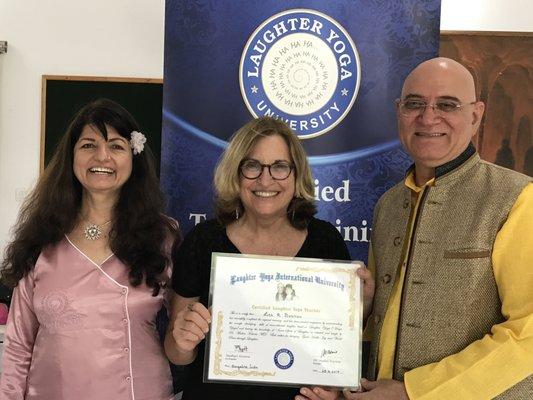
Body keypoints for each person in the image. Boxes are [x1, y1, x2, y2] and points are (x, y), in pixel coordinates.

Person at [345, 57, 533, 400]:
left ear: (475, 115)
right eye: (415, 104)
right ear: (399, 111)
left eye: (447, 104)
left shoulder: (518, 199)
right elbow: (381, 330)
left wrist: (414, 391)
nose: (428, 117)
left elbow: (528, 334)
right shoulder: (387, 205)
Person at [164, 116, 374, 400]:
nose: (265, 179)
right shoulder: (203, 241)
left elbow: (336, 350)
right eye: (252, 166)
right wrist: (183, 340)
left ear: (296, 174)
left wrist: (363, 306)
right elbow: (177, 355)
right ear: (236, 174)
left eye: (279, 166)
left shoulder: (326, 242)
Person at [0, 99, 180, 399]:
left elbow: (181, 329)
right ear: (71, 156)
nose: (102, 156)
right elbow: (19, 344)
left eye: (117, 146)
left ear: (134, 157)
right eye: (88, 145)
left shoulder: (162, 236)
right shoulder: (43, 237)